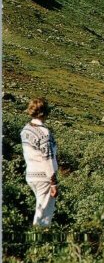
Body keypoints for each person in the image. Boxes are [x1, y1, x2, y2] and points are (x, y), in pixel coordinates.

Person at [20, 97, 59, 227]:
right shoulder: (44, 133)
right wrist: (53, 183)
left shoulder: (26, 130)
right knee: (44, 214)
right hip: (44, 177)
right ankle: (38, 241)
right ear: (44, 112)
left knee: (40, 207)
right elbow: (47, 159)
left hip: (31, 174)